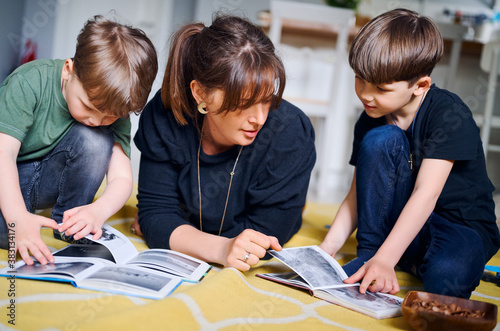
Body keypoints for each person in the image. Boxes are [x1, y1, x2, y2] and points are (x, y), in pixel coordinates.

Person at [320, 8, 500, 299]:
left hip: (458, 225)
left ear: (420, 86)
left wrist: (387, 258)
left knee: (445, 282)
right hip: (405, 221)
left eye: (380, 88)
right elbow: (357, 194)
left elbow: (425, 194)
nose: (366, 94)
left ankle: (396, 259)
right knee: (381, 138)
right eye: (359, 79)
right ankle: (374, 256)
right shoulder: (371, 116)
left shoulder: (448, 113)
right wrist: (326, 251)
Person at [132, 14, 316, 271]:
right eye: (243, 104)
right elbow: (155, 217)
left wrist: (178, 232)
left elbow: (266, 237)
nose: (260, 118)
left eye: (266, 99)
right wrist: (221, 248)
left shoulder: (291, 134)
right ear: (200, 93)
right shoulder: (164, 114)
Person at [0, 15, 158, 266]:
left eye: (111, 116)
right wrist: (17, 218)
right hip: (7, 181)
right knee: (9, 235)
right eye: (89, 106)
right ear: (68, 70)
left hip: (41, 185)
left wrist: (98, 211)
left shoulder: (113, 111)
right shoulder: (29, 82)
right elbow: (3, 156)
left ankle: (69, 226)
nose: (97, 120)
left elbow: (122, 177)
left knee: (95, 140)